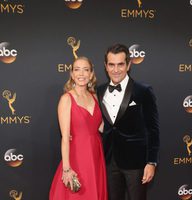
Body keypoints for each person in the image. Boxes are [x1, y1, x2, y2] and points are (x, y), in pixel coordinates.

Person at [97, 44, 160, 200]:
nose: (116, 69)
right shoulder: (99, 91)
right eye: (111, 64)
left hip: (136, 162)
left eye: (120, 64)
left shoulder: (143, 91)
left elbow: (153, 129)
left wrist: (151, 162)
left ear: (129, 64)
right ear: (105, 66)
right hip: (109, 160)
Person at [49, 56, 107, 200]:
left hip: (96, 154)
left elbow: (101, 127)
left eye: (85, 70)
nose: (81, 74)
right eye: (77, 70)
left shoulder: (95, 97)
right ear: (72, 74)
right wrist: (67, 169)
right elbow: (65, 138)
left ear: (91, 74)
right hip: (77, 155)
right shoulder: (66, 99)